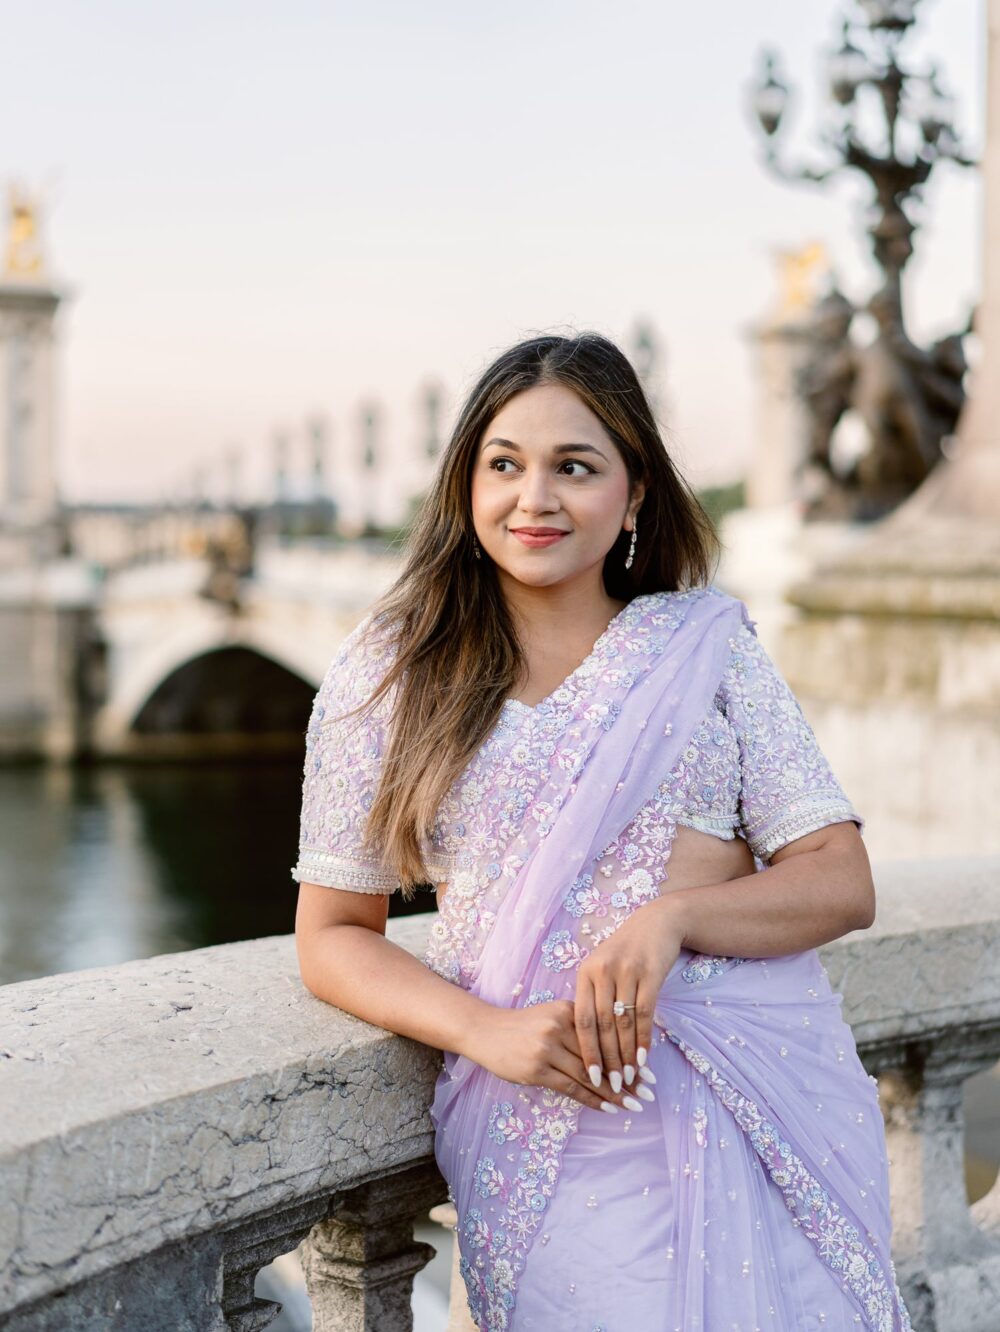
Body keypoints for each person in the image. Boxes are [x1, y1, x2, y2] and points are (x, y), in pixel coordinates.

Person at [292, 332, 912, 1331]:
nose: (533, 498)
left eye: (573, 467)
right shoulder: (392, 672)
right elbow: (331, 935)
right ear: (465, 487)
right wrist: (483, 1033)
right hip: (553, 1135)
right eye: (505, 465)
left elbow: (841, 879)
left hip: (762, 1110)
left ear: (631, 498)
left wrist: (674, 919)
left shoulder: (708, 650)